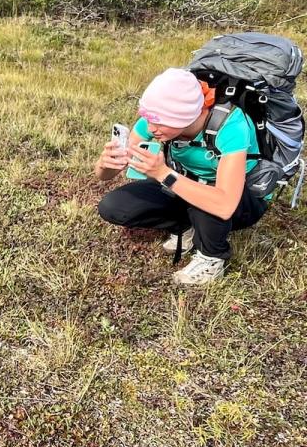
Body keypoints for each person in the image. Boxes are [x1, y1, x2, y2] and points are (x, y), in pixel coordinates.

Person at [95, 68, 268, 285]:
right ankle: (188, 226)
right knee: (114, 206)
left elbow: (225, 203)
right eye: (147, 118)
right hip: (186, 182)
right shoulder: (157, 120)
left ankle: (212, 257)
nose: (151, 128)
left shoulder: (231, 125)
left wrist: (163, 174)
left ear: (186, 116)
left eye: (158, 122)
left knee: (205, 196)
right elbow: (105, 175)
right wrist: (105, 165)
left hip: (238, 200)